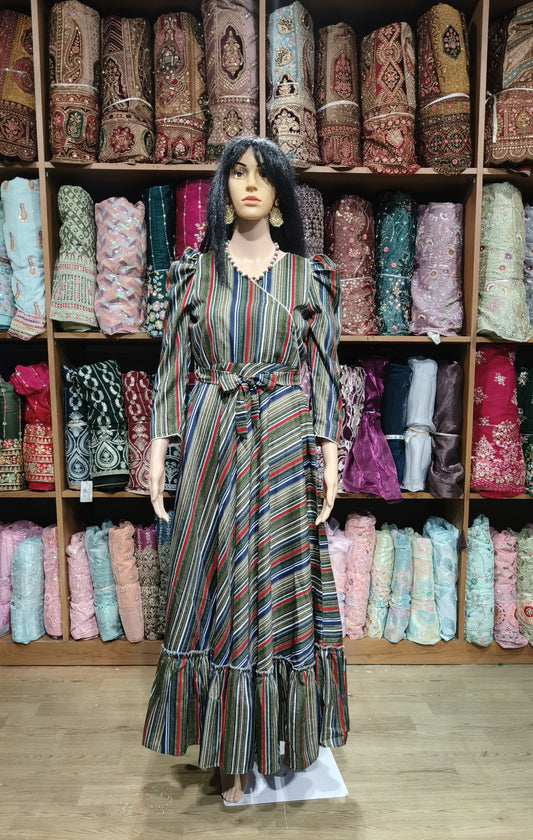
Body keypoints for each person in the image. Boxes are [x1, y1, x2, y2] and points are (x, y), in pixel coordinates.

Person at [143, 136, 349, 804]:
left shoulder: (309, 278)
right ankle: (228, 752)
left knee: (275, 581)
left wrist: (329, 456)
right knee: (216, 579)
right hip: (214, 437)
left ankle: (270, 738)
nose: (250, 183)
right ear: (224, 190)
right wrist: (158, 453)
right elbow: (172, 370)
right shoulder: (193, 275)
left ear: (281, 194)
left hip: (284, 438)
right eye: (237, 172)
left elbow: (324, 373)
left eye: (263, 174)